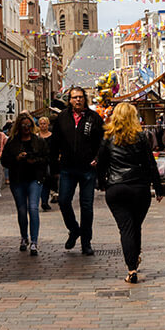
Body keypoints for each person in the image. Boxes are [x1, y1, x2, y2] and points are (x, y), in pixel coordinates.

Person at [97, 103, 163, 283]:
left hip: (116, 188)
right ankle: (134, 257)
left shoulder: (108, 137)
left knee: (126, 228)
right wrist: (158, 188)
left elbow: (101, 164)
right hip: (139, 188)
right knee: (135, 226)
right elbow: (150, 164)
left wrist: (102, 184)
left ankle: (131, 268)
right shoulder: (141, 137)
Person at [51, 87, 104, 256]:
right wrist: (54, 165)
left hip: (88, 168)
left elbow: (102, 141)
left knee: (86, 207)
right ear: (70, 100)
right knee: (64, 201)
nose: (78, 100)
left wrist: (98, 157)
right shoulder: (62, 118)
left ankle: (86, 242)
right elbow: (55, 141)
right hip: (68, 167)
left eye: (80, 97)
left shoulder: (93, 117)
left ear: (85, 99)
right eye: (74, 98)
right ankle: (74, 229)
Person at [1, 114, 48, 255]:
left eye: (28, 125)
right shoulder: (12, 142)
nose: (26, 128)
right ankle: (24, 237)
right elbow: (4, 161)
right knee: (21, 210)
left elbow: (46, 158)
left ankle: (34, 241)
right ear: (18, 127)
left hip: (35, 178)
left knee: (33, 208)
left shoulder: (39, 141)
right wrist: (16, 158)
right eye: (23, 126)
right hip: (18, 179)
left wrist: (35, 160)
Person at [37, 116, 54, 210]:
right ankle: (40, 200)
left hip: (49, 161)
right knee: (39, 181)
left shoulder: (52, 136)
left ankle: (44, 201)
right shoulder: (36, 136)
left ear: (48, 124)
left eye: (44, 123)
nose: (43, 126)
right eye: (41, 124)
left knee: (47, 181)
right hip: (39, 162)